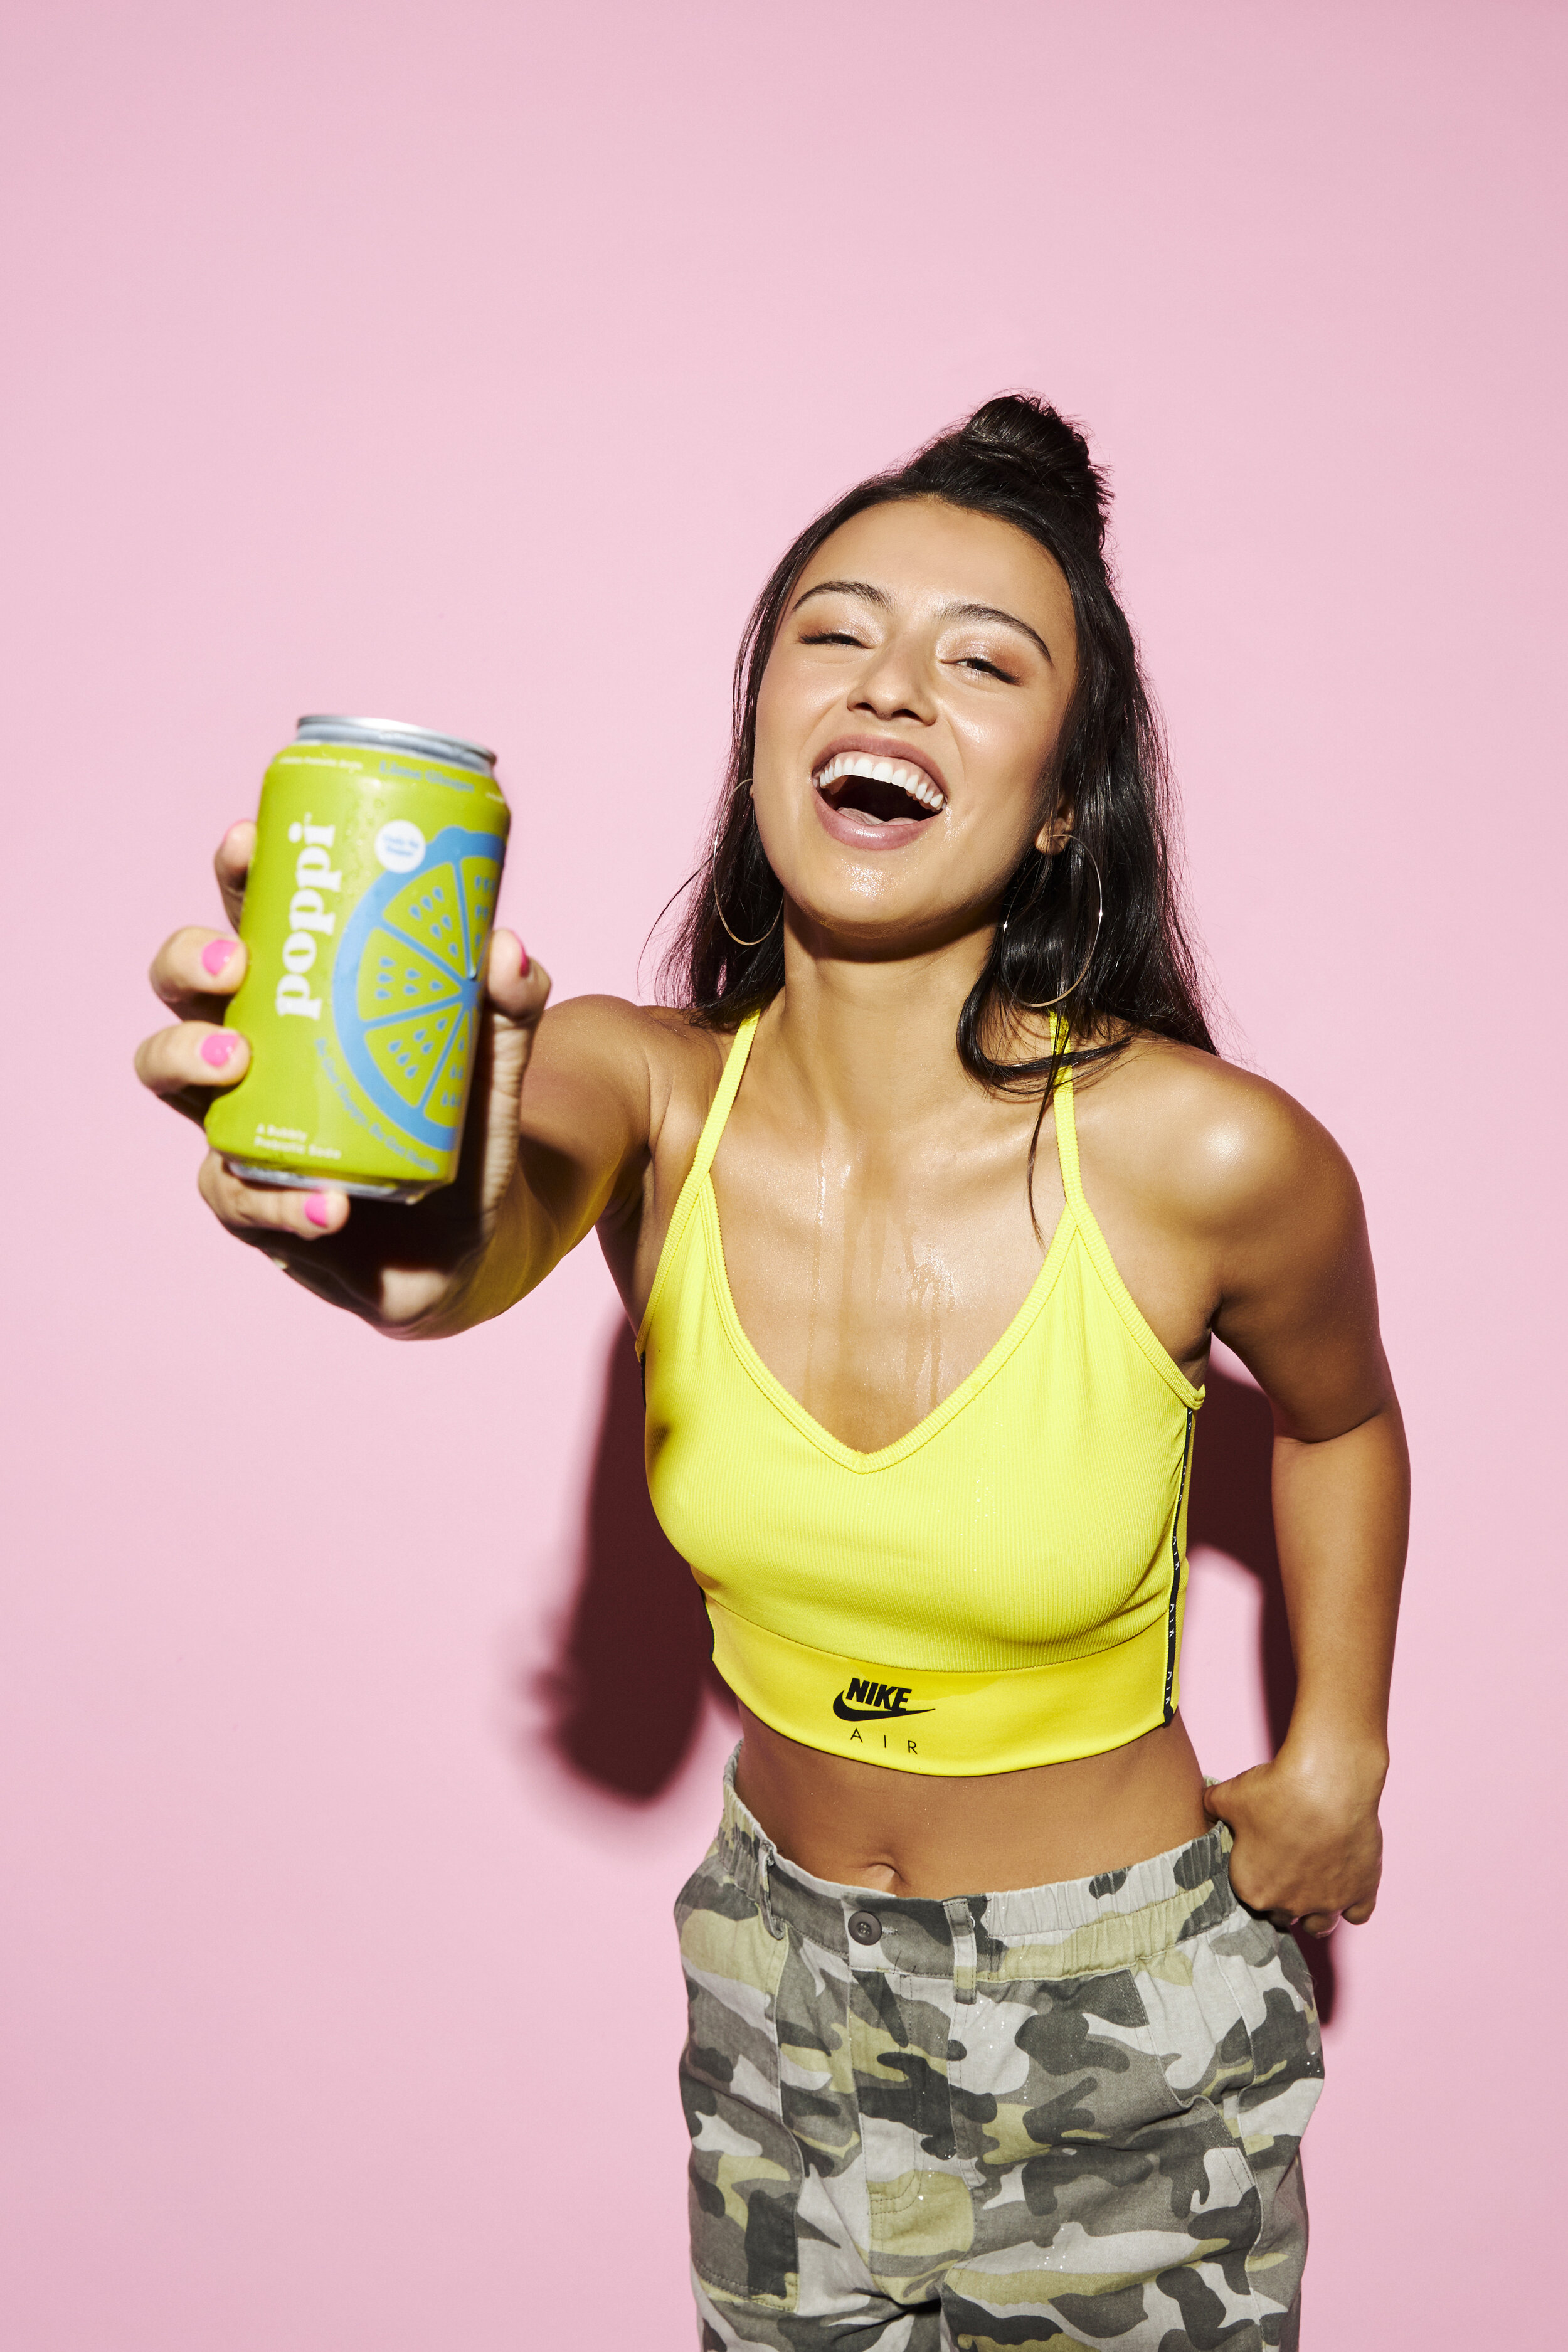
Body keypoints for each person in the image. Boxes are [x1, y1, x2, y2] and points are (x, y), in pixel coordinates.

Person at [136, 395, 1407, 2351]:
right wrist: (373, 1215)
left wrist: (1337, 1758)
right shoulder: (640, 1085)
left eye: (983, 663)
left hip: (1123, 2015)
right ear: (762, 732)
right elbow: (465, 1239)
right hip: (774, 1986)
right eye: (834, 634)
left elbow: (1337, 1419)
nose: (890, 686)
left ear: (1061, 804)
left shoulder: (1210, 1154)